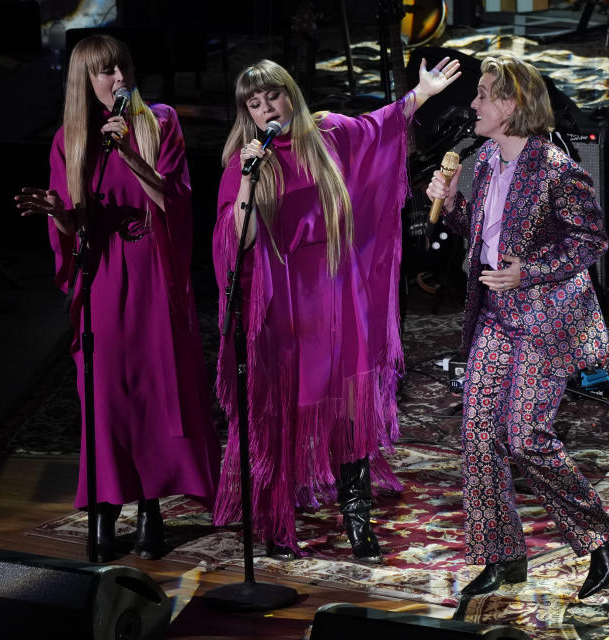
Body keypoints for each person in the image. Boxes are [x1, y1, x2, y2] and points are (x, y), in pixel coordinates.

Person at [213, 58, 460, 562]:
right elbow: (239, 241)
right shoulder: (248, 161)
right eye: (254, 106)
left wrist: (423, 93)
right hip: (284, 300)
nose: (266, 111)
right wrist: (246, 182)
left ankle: (356, 517)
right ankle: (280, 519)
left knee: (349, 408)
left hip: (338, 290)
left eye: (272, 98)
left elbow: (379, 127)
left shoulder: (329, 133)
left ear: (290, 94)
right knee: (282, 408)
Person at [425, 52, 609, 599]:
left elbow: (591, 240)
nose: (473, 103)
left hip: (545, 320)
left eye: (484, 94)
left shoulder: (558, 168)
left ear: (512, 104)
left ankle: (604, 532)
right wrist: (451, 205)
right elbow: (486, 232)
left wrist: (529, 272)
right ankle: (501, 557)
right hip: (496, 316)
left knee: (525, 437)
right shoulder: (488, 159)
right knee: (478, 434)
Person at [15, 34, 220, 562]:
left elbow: (173, 203)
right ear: (86, 80)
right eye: (105, 72)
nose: (118, 79)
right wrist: (56, 213)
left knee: (153, 387)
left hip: (151, 267)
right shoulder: (70, 138)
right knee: (104, 395)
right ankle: (104, 508)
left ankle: (150, 508)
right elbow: (75, 225)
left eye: (123, 68)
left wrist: (129, 150)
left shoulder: (161, 122)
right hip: (102, 273)